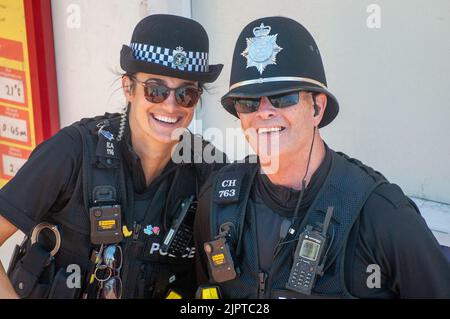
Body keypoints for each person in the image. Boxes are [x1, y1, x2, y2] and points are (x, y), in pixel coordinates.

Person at [194, 16, 450, 299]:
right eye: (248, 102)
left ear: (317, 108)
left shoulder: (382, 217)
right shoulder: (218, 201)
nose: (264, 112)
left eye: (283, 98)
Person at [0, 14, 226, 299]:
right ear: (128, 88)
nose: (170, 106)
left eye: (186, 94)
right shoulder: (71, 152)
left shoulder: (209, 172)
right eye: (155, 90)